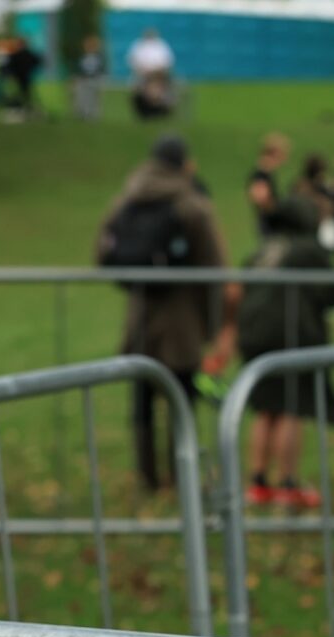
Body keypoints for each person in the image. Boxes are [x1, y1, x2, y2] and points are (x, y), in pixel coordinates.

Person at [96, 134, 231, 493]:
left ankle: (147, 477)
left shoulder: (128, 197)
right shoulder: (191, 203)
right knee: (181, 400)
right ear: (183, 162)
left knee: (141, 398)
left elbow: (102, 253)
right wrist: (215, 323)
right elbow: (215, 264)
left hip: (139, 315)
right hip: (182, 318)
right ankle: (180, 475)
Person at [218, 195, 334, 509]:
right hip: (291, 335)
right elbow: (331, 293)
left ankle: (259, 481)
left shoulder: (265, 247)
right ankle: (288, 483)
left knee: (265, 408)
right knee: (292, 406)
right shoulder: (308, 249)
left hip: (254, 335)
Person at [247, 134, 290, 241]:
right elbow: (258, 197)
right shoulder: (261, 174)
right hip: (269, 223)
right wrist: (277, 210)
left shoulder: (265, 173)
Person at [126, 28, 175, 120]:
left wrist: (157, 71)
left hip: (159, 75)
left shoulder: (161, 45)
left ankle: (162, 109)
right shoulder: (138, 45)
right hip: (143, 74)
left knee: (166, 87)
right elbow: (133, 62)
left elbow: (168, 62)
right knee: (137, 86)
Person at [72, 35, 107, 123]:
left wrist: (101, 79)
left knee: (95, 98)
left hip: (95, 79)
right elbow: (78, 69)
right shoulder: (83, 57)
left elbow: (102, 69)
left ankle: (94, 115)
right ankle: (84, 114)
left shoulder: (99, 57)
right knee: (84, 97)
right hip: (84, 79)